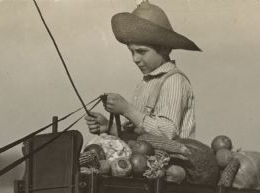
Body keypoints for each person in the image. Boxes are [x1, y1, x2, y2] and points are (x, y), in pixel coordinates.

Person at [86, 1, 201, 141]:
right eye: (132, 52)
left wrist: (128, 110)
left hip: (175, 161)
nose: (135, 59)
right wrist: (109, 127)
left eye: (141, 51)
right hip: (145, 159)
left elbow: (167, 132)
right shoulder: (146, 83)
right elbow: (140, 135)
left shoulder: (174, 81)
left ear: (164, 48)